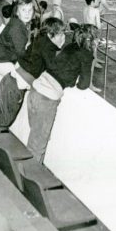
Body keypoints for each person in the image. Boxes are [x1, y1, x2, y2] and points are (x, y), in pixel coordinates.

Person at [27, 23, 94, 162]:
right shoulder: (86, 54)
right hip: (47, 98)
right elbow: (84, 84)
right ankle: (28, 178)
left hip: (35, 89)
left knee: (36, 138)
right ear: (91, 40)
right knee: (38, 145)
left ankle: (27, 172)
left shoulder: (69, 47)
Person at [0, 0, 34, 80]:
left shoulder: (17, 21)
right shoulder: (17, 28)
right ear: (17, 12)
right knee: (21, 80)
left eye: (30, 10)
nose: (27, 13)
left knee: (2, 87)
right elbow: (21, 54)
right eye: (23, 10)